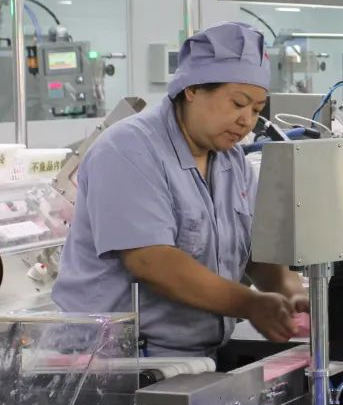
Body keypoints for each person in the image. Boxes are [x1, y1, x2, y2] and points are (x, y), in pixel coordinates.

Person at [53, 22, 308, 357]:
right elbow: (152, 262)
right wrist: (249, 303)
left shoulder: (232, 161)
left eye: (257, 110)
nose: (247, 120)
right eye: (238, 103)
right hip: (115, 361)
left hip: (192, 357)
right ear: (192, 89)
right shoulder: (128, 149)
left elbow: (254, 251)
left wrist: (290, 293)